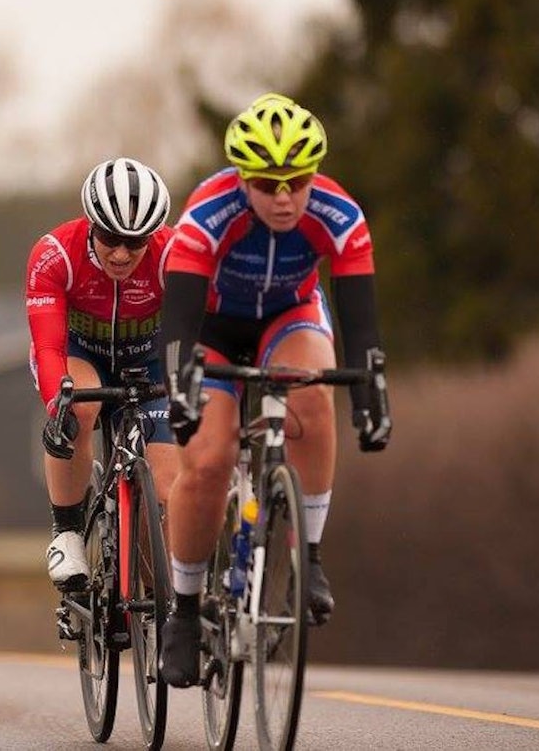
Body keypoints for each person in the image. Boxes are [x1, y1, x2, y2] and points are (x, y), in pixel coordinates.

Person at [155, 93, 392, 687]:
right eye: (266, 184)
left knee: (313, 390)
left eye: (297, 181)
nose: (284, 197)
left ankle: (308, 557)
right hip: (211, 328)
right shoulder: (208, 212)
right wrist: (181, 385)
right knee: (207, 461)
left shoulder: (338, 214)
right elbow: (178, 321)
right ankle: (183, 612)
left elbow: (361, 325)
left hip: (289, 318)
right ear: (244, 180)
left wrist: (370, 396)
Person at [25, 157, 181, 591]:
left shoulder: (174, 253)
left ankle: (163, 600)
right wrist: (60, 405)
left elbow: (196, 334)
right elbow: (49, 347)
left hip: (146, 362)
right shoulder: (55, 255)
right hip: (78, 355)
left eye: (135, 243)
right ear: (91, 224)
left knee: (168, 491)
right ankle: (68, 532)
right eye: (111, 238)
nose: (121, 253)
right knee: (83, 403)